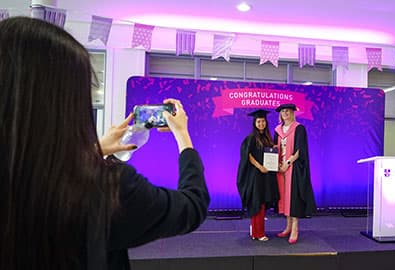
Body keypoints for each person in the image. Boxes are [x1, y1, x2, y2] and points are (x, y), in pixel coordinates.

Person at [0, 17, 209, 270]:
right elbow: (192, 206)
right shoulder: (107, 188)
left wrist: (93, 151)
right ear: (68, 103)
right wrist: (183, 136)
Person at [273, 103, 316, 244]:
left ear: (292, 113)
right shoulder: (278, 130)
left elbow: (300, 150)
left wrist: (288, 163)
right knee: (284, 198)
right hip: (280, 168)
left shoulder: (299, 128)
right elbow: (275, 148)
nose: (285, 113)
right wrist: (277, 163)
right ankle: (287, 226)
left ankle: (295, 228)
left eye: (288, 111)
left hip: (293, 168)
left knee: (293, 198)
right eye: (283, 111)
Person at [237, 109, 279, 241]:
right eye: (258, 121)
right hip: (256, 175)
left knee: (261, 203)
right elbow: (248, 156)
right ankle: (258, 233)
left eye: (263, 121)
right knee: (257, 203)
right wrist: (260, 166)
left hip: (265, 176)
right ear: (255, 123)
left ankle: (255, 230)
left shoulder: (267, 138)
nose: (261, 123)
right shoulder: (251, 138)